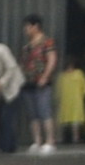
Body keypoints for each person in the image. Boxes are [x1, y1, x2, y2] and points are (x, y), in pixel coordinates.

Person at [19, 14, 61, 152]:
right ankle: (37, 141)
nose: (25, 30)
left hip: (42, 82)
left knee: (45, 111)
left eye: (27, 26)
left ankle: (50, 141)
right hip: (28, 82)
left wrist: (45, 76)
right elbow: (23, 64)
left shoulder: (47, 42)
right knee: (33, 114)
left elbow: (52, 60)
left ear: (35, 26)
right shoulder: (27, 47)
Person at [56, 54, 85, 145]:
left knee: (69, 119)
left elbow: (58, 90)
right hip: (73, 100)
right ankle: (73, 138)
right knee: (72, 120)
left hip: (69, 101)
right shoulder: (77, 74)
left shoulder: (64, 76)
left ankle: (68, 138)